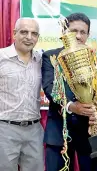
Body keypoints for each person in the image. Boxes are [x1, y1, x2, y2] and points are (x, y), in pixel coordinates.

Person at [42, 12, 97, 171]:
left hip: (90, 131)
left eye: (82, 32)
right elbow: (49, 87)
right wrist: (71, 106)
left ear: (88, 35)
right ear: (65, 32)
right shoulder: (51, 57)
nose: (78, 36)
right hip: (59, 131)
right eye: (73, 31)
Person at [0, 18, 44, 171]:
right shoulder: (1, 57)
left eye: (34, 33)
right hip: (5, 130)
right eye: (24, 32)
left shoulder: (41, 60)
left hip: (34, 131)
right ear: (14, 34)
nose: (29, 37)